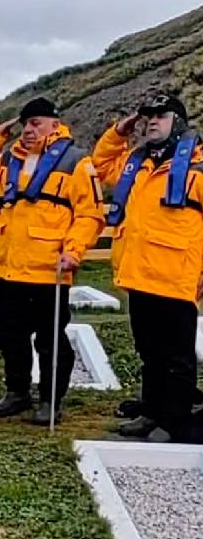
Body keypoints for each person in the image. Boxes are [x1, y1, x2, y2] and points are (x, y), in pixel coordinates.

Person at [0, 98, 105, 424]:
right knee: (9, 335)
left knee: (50, 339)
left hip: (50, 269)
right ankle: (17, 392)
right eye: (25, 124)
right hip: (11, 269)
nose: (29, 130)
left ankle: (50, 400)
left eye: (36, 123)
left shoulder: (75, 162)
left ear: (55, 125)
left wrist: (74, 251)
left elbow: (89, 214)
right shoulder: (8, 160)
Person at [92, 93, 203, 444]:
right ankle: (151, 412)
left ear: (179, 122)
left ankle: (175, 422)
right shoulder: (134, 163)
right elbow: (99, 162)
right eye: (147, 116)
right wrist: (119, 131)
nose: (152, 121)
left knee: (178, 358)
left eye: (161, 115)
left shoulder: (199, 168)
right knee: (149, 353)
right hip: (138, 275)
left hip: (176, 277)